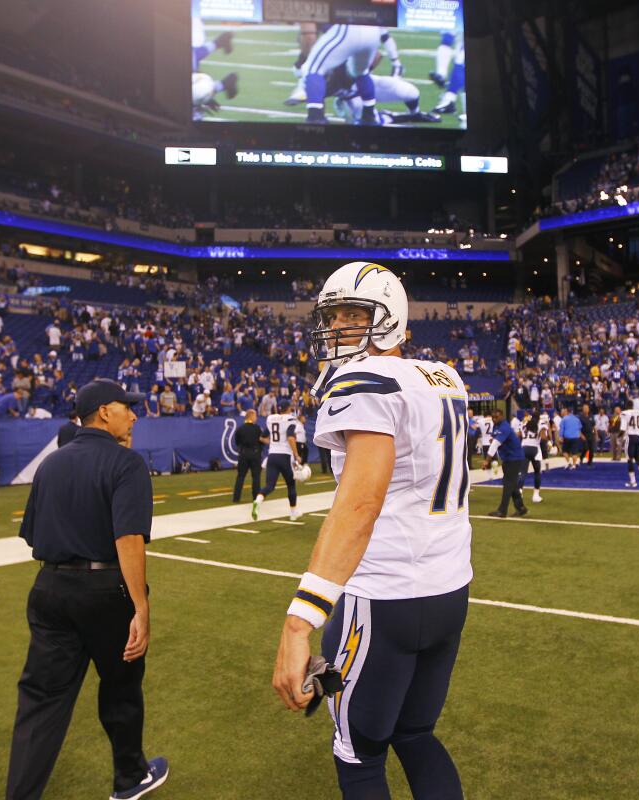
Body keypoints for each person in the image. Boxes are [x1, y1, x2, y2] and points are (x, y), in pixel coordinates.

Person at [272, 261, 471, 800]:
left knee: (358, 754)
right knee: (416, 733)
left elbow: (360, 502)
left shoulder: (365, 379)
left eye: (353, 315)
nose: (337, 328)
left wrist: (299, 623)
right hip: (449, 589)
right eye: (333, 315)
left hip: (383, 597)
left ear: (389, 320)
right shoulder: (444, 377)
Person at [7, 379, 169, 799]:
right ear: (103, 412)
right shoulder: (126, 463)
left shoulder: (50, 465)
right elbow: (129, 539)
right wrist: (141, 606)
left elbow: (31, 535)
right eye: (126, 407)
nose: (133, 415)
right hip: (104, 590)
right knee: (121, 688)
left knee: (41, 702)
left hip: (49, 587)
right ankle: (129, 778)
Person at [252, 401, 302, 521]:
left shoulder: (271, 419)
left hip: (272, 456)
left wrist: (274, 444)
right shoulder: (290, 420)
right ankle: (293, 512)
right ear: (288, 409)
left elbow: (262, 437)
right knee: (291, 484)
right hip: (284, 456)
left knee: (269, 485)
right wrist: (296, 454)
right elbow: (290, 438)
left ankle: (258, 500)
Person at [486, 407, 527, 517]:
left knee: (508, 484)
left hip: (514, 458)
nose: (494, 419)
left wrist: (487, 460)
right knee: (512, 484)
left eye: (496, 417)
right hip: (508, 458)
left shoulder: (505, 427)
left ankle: (502, 510)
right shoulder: (497, 425)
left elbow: (495, 443)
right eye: (493, 417)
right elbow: (495, 439)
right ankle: (521, 508)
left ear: (502, 416)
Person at [232, 409, 267, 503]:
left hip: (243, 454)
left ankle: (236, 498)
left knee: (240, 476)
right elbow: (261, 441)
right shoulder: (257, 428)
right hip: (255, 454)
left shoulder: (240, 428)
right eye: (255, 415)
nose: (256, 418)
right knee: (256, 477)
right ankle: (256, 497)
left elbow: (237, 442)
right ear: (251, 416)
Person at [620, 397, 639, 487]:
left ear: (626, 406)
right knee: (637, 458)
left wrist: (618, 438)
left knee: (629, 460)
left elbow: (622, 429)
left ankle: (633, 481)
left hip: (631, 437)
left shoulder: (625, 414)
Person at [519, 412, 543, 504]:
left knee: (522, 472)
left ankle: (519, 493)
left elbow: (518, 435)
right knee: (537, 472)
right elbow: (544, 437)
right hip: (535, 449)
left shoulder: (524, 423)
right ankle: (536, 495)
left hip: (524, 448)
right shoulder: (539, 424)